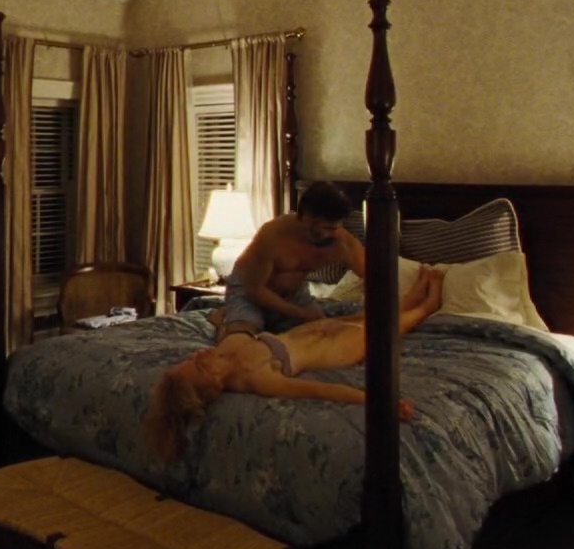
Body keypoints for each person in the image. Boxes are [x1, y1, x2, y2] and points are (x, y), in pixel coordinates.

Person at [143, 264, 444, 461]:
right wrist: (380, 403)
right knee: (384, 329)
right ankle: (428, 304)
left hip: (310, 331)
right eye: (200, 365)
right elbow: (321, 391)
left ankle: (412, 297)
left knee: (364, 316)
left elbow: (233, 326)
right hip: (334, 350)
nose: (199, 355)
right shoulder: (256, 378)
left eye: (192, 357)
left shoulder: (226, 350)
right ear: (215, 384)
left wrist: (220, 318)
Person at [213, 180, 366, 341]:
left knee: (319, 336)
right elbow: (255, 290)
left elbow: (370, 276)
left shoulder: (342, 242)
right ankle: (221, 321)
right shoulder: (273, 234)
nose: (334, 233)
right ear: (307, 218)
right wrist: (302, 313)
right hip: (249, 289)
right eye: (327, 228)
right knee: (241, 339)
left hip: (295, 294)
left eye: (336, 227)